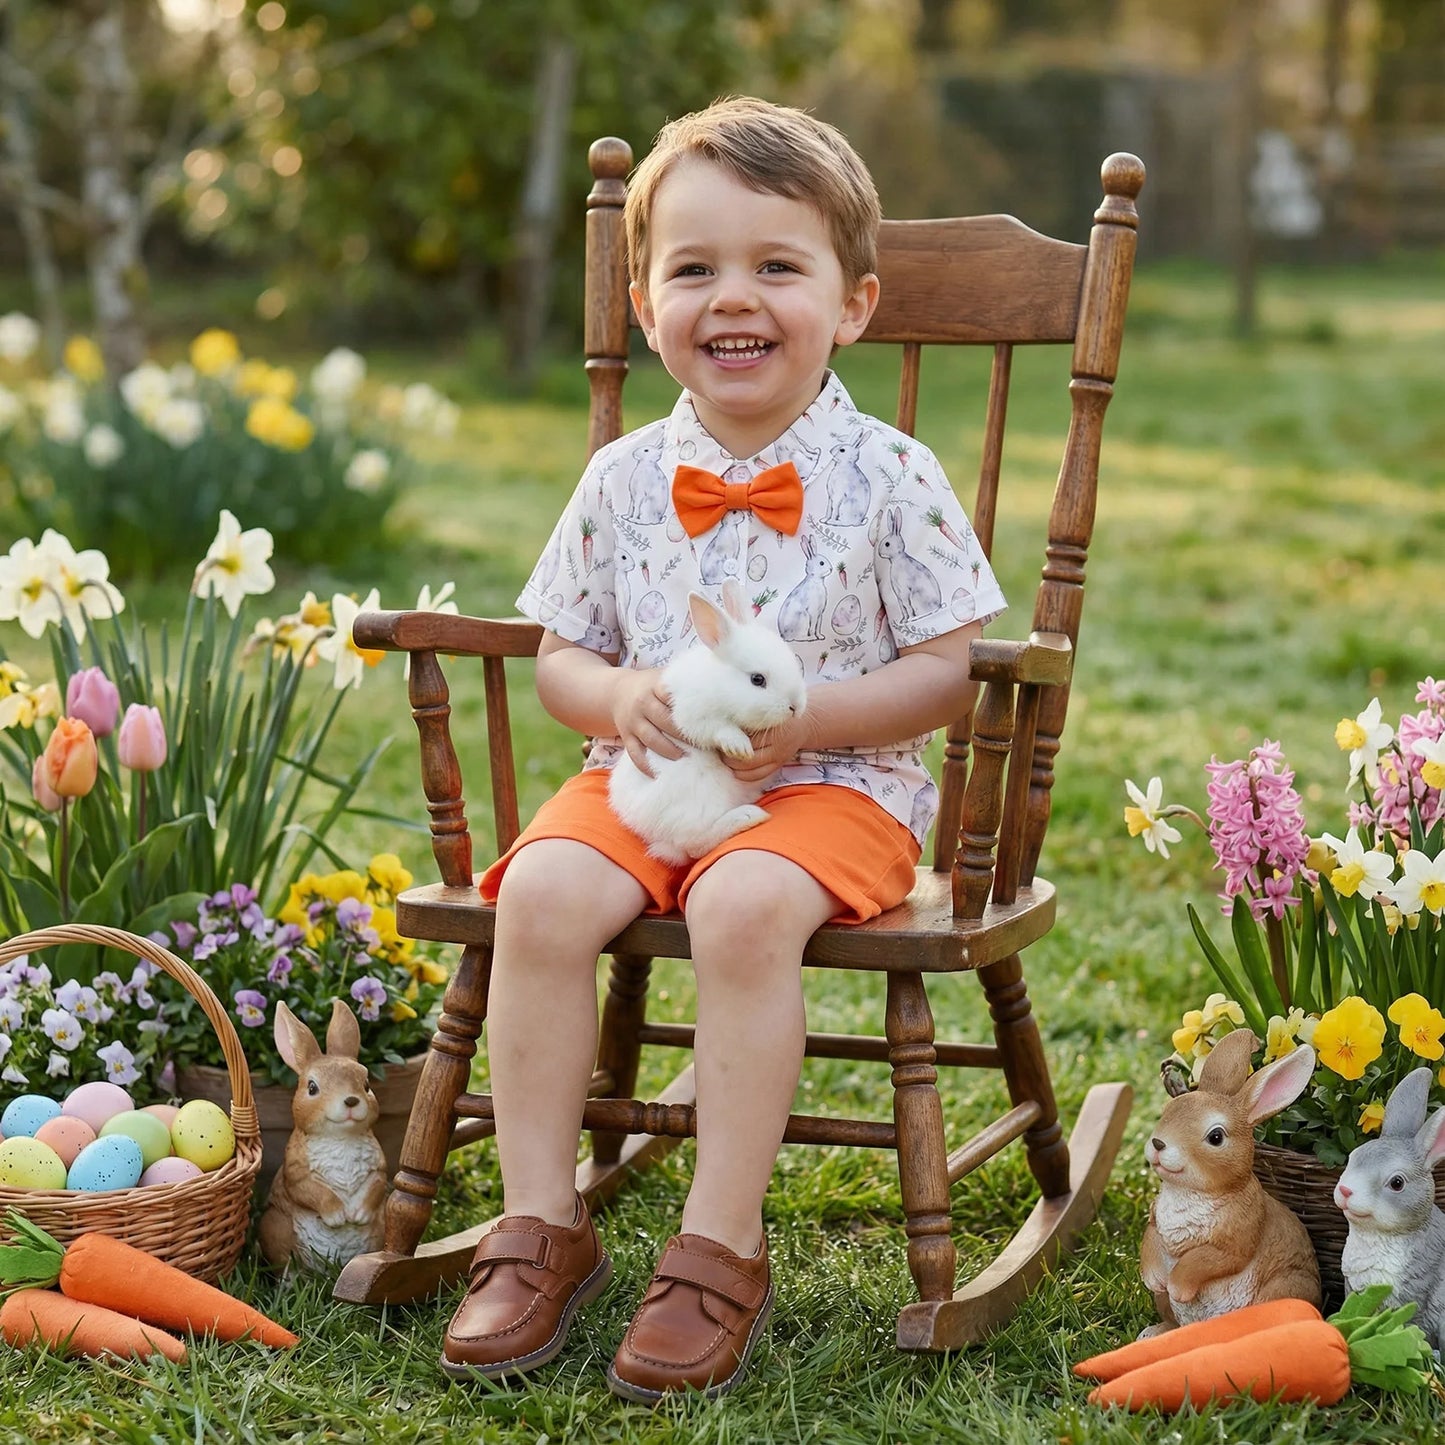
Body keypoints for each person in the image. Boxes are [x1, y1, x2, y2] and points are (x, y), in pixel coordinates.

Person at [441, 95, 1006, 1401]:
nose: (732, 296)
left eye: (776, 266)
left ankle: (716, 1242)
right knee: (539, 892)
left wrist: (813, 722)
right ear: (645, 305)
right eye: (693, 268)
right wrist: (618, 692)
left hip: (837, 787)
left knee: (743, 905)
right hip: (644, 779)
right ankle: (538, 1223)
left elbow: (947, 670)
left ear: (853, 304)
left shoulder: (894, 474)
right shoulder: (623, 477)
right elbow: (560, 656)